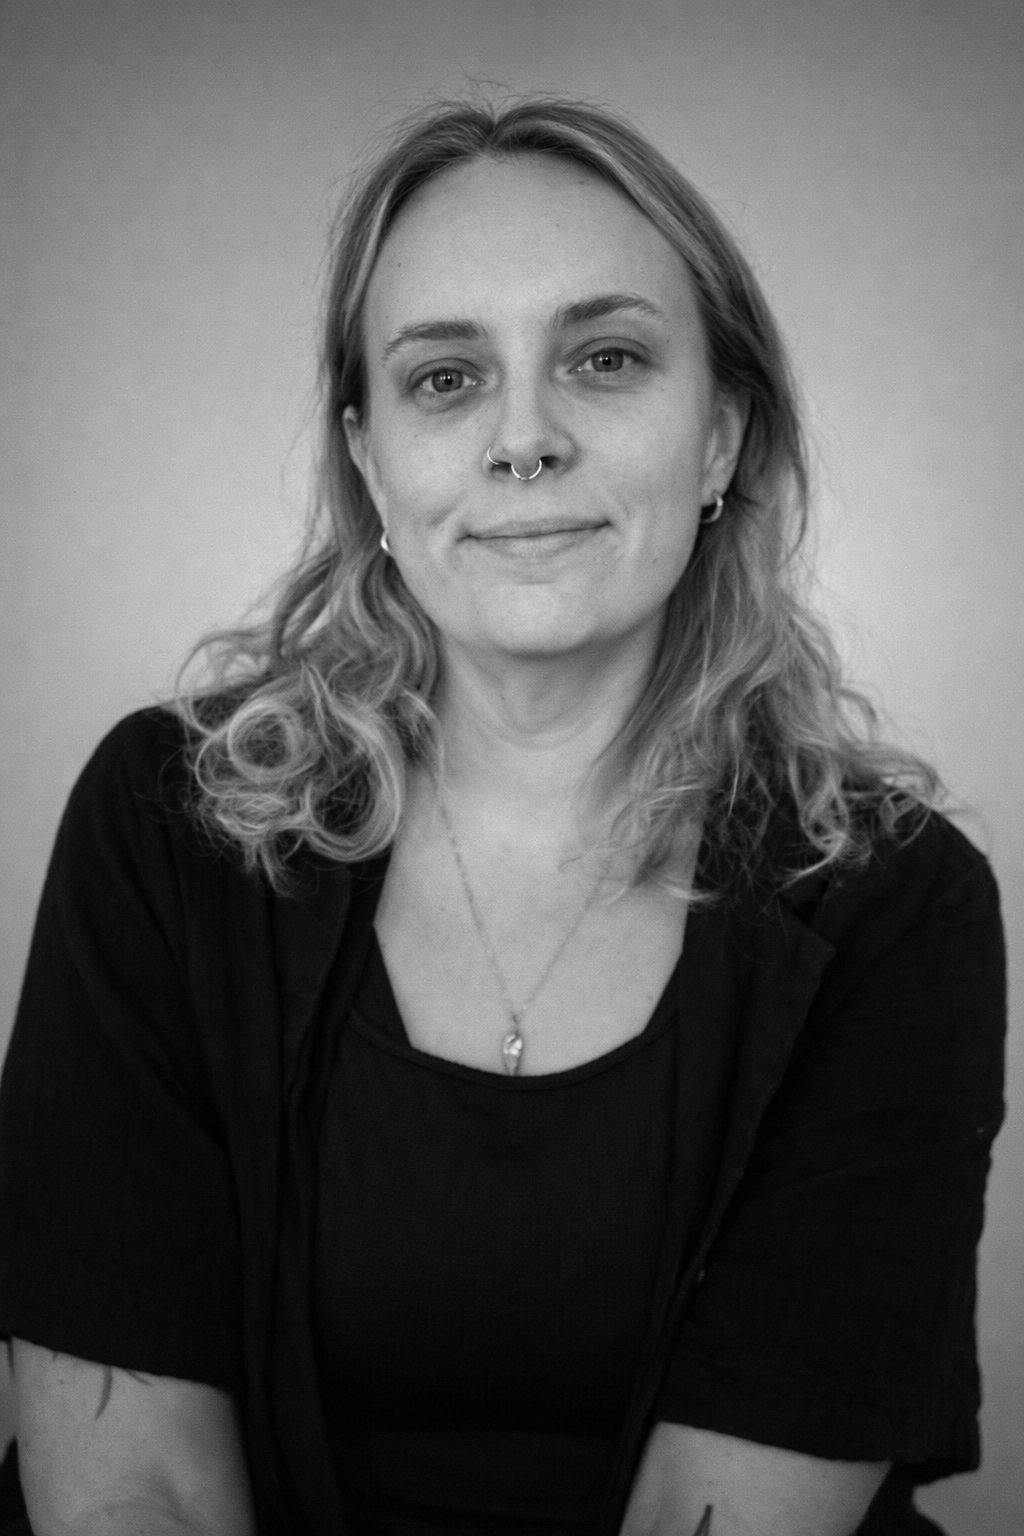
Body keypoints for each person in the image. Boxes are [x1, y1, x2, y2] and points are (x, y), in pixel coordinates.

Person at [0, 96, 1006, 1536]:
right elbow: (129, 1488)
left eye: (606, 359)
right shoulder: (167, 828)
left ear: (720, 437)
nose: (524, 439)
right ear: (369, 459)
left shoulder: (895, 906)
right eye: (446, 378)